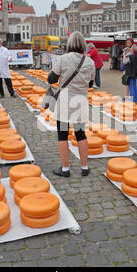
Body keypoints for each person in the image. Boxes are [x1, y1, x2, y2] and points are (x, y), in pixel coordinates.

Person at [47, 32, 95, 177]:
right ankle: (84, 167)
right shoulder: (90, 62)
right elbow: (91, 83)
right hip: (80, 101)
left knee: (62, 134)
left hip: (64, 102)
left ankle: (65, 169)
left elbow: (51, 79)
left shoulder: (63, 59)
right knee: (80, 133)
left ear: (70, 44)